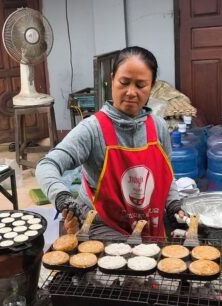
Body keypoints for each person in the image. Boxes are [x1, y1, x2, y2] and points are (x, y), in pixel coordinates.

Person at [36, 46, 184, 240]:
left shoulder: (158, 127)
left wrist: (173, 203)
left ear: (152, 86)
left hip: (148, 222)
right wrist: (62, 197)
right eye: (124, 82)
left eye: (140, 85)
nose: (131, 92)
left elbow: (166, 175)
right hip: (102, 225)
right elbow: (47, 165)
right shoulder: (92, 129)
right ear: (112, 79)